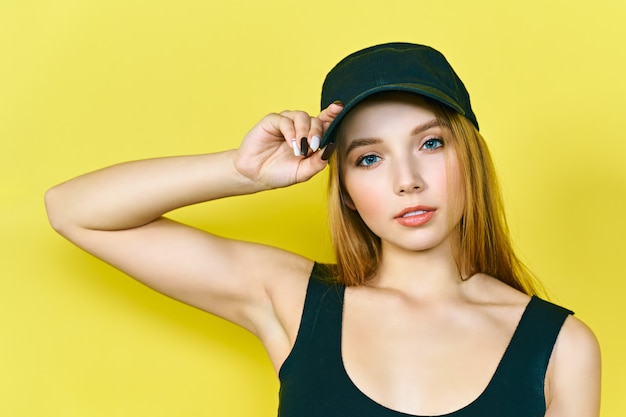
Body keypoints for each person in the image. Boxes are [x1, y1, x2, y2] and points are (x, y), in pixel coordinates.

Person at [45, 43, 601, 416]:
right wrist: (243, 173)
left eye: (431, 144)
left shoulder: (561, 347)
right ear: (346, 190)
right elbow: (74, 209)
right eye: (368, 159)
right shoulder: (293, 298)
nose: (407, 181)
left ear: (470, 159)